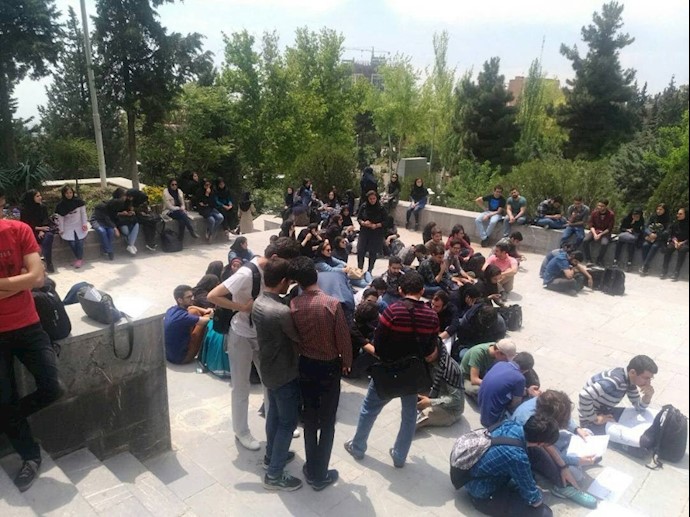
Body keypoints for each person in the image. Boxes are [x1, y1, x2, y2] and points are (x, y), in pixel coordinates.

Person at [208, 237, 301, 451]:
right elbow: (213, 295)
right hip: (242, 333)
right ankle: (241, 431)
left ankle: (275, 420)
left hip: (262, 334)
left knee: (271, 381)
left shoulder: (271, 271)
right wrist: (242, 307)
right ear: (275, 258)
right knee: (241, 385)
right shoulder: (247, 273)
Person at [0, 187, 65, 491]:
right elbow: (29, 278)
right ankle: (30, 456)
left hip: (28, 325)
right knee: (4, 398)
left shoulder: (19, 230)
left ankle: (6, 419)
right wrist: (19, 283)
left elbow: (38, 278)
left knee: (53, 387)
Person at [344, 271, 439, 468]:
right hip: (412, 375)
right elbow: (430, 351)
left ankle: (358, 447)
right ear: (422, 291)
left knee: (369, 409)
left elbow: (379, 347)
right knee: (409, 415)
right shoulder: (432, 316)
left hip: (387, 372)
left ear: (400, 290)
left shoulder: (392, 312)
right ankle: (399, 456)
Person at [289, 257, 352, 490]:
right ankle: (320, 473)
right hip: (329, 368)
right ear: (316, 276)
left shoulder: (294, 304)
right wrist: (347, 362)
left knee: (310, 418)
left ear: (298, 282)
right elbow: (343, 339)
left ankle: (311, 465)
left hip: (305, 366)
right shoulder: (332, 304)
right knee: (327, 421)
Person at [251, 258, 302, 491]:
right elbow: (297, 338)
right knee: (287, 422)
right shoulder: (281, 311)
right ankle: (274, 475)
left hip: (268, 369)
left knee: (273, 415)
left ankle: (271, 456)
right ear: (283, 281)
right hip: (284, 372)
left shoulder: (258, 302)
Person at [511, 390, 599, 509]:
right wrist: (569, 464)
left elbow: (565, 419)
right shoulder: (529, 421)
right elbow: (546, 446)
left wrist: (577, 429)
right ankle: (562, 486)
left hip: (545, 439)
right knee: (576, 475)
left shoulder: (546, 403)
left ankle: (578, 460)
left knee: (587, 434)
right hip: (533, 447)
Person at [465, 415, 559, 517]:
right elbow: (534, 501)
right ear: (540, 443)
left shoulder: (510, 424)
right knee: (545, 513)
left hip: (469, 473)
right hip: (480, 494)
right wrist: (538, 496)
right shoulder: (517, 456)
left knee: (527, 480)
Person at [578, 355, 657, 442]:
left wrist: (648, 396)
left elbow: (639, 408)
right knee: (640, 440)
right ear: (633, 372)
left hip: (605, 411)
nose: (648, 382)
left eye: (650, 379)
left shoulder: (629, 380)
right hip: (589, 420)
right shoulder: (615, 381)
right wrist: (595, 418)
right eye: (646, 378)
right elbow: (584, 395)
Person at [478, 351, 535, 427]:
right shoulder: (520, 378)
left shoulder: (500, 364)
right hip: (494, 419)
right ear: (526, 370)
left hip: (482, 408)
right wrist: (529, 394)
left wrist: (526, 391)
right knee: (528, 403)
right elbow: (515, 404)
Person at [416, 341, 464, 430]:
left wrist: (430, 402)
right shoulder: (428, 361)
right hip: (436, 394)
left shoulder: (451, 369)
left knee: (420, 417)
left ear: (438, 348)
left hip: (450, 410)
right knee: (412, 400)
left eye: (431, 351)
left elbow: (456, 400)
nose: (427, 355)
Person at [164, 285, 212, 364]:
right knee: (205, 319)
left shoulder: (171, 309)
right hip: (182, 358)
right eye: (188, 297)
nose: (192, 298)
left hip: (169, 355)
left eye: (192, 296)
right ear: (180, 300)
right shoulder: (183, 317)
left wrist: (205, 310)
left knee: (193, 311)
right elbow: (206, 320)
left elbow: (191, 308)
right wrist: (211, 313)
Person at [20, 190, 56, 273]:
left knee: (48, 237)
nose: (40, 197)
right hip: (30, 231)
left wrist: (42, 230)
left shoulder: (42, 207)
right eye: (37, 196)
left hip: (42, 230)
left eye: (40, 195)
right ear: (31, 198)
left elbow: (45, 219)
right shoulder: (24, 210)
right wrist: (39, 228)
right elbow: (25, 224)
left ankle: (48, 262)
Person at [54, 185, 88, 268]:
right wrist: (61, 229)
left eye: (70, 192)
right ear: (64, 194)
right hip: (68, 226)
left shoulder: (79, 202)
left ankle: (79, 259)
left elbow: (83, 214)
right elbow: (60, 218)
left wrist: (84, 224)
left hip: (79, 224)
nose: (69, 195)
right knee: (72, 243)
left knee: (79, 242)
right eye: (67, 193)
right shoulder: (60, 205)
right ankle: (78, 258)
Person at [356, 190, 387, 272]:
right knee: (361, 250)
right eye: (370, 199)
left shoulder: (381, 208)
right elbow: (359, 218)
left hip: (376, 233)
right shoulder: (364, 206)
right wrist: (363, 223)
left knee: (373, 252)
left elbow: (386, 221)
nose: (372, 200)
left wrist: (376, 225)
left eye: (374, 198)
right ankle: (360, 269)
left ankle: (370, 270)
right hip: (364, 231)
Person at [639, 203, 670, 276]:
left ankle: (645, 266)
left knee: (654, 246)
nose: (658, 211)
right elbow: (645, 226)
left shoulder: (667, 219)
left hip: (660, 239)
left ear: (664, 210)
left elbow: (667, 231)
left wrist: (656, 235)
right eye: (657, 209)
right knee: (645, 245)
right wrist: (650, 234)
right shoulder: (653, 217)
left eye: (661, 209)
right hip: (650, 237)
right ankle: (645, 266)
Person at [582, 199, 615, 266]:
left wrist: (600, 235)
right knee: (585, 241)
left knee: (604, 244)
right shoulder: (594, 213)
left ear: (606, 206)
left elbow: (609, 228)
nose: (599, 207)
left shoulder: (611, 215)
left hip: (605, 232)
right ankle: (588, 259)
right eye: (599, 205)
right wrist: (594, 234)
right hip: (595, 230)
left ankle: (599, 260)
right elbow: (591, 225)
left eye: (602, 206)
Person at [660, 207, 688, 281]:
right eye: (678, 214)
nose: (678, 215)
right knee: (668, 248)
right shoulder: (675, 223)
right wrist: (675, 242)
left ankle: (676, 272)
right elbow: (672, 234)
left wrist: (682, 243)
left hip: (686, 242)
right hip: (675, 241)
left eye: (680, 214)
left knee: (682, 250)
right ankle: (664, 270)